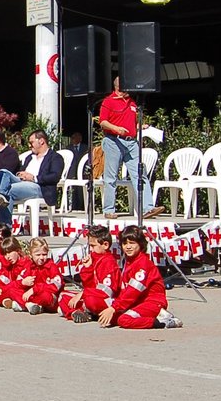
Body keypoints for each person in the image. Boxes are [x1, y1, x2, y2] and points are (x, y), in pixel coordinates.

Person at [97, 225, 181, 328]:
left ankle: (163, 322)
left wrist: (114, 308)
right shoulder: (128, 262)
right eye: (124, 243)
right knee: (113, 318)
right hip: (138, 302)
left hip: (152, 302)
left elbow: (133, 291)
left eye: (132, 243)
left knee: (124, 320)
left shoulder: (143, 263)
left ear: (140, 244)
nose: (128, 247)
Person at [58, 225, 119, 322]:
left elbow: (106, 292)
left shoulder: (109, 262)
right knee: (63, 296)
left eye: (93, 246)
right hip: (90, 296)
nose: (91, 249)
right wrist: (88, 268)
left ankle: (84, 311)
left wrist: (83, 294)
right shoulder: (94, 258)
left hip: (105, 300)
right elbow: (88, 285)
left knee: (91, 300)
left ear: (105, 245)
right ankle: (77, 313)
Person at [98, 79, 140, 215]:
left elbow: (133, 123)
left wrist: (140, 127)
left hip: (132, 142)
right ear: (119, 87)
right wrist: (116, 129)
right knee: (111, 176)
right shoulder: (108, 101)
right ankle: (109, 209)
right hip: (114, 141)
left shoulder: (132, 102)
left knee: (139, 174)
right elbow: (103, 122)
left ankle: (147, 208)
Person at [5, 129, 63, 211]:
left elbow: (55, 176)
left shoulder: (55, 157)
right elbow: (21, 170)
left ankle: (4, 222)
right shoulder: (30, 157)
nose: (29, 145)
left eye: (31, 142)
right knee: (3, 173)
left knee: (7, 190)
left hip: (40, 187)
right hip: (22, 183)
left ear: (41, 141)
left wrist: (33, 178)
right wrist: (20, 174)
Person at [4, 236, 63, 314]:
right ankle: (31, 306)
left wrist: (34, 289)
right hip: (33, 296)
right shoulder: (29, 266)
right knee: (12, 290)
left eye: (44, 254)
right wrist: (23, 282)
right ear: (31, 255)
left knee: (46, 296)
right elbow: (16, 283)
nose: (42, 257)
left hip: (48, 299)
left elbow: (56, 286)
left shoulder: (51, 266)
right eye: (38, 255)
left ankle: (25, 305)